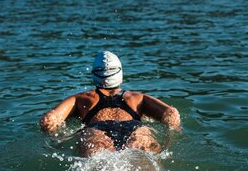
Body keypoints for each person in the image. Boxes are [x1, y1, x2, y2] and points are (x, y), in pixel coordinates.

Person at [40, 51, 181, 157]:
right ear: (120, 73)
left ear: (94, 74)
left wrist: (56, 141)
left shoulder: (82, 99)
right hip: (135, 128)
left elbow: (49, 120)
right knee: (147, 170)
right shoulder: (136, 98)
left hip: (96, 131)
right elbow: (171, 113)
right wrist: (171, 136)